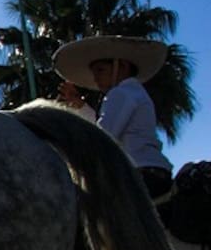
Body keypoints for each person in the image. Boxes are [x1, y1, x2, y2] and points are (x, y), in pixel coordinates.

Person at [53, 35, 174, 196]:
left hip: (137, 173)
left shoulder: (120, 93)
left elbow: (103, 136)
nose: (96, 78)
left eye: (100, 70)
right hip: (154, 171)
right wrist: (80, 106)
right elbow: (103, 128)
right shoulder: (134, 92)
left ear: (121, 66)